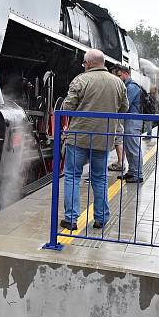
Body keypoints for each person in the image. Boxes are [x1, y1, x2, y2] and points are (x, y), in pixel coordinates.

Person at [60, 49, 128, 231]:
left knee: (72, 177)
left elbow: (68, 107)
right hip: (104, 138)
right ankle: (101, 219)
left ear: (88, 63)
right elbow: (124, 108)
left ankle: (71, 219)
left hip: (78, 138)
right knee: (100, 178)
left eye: (84, 63)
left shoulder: (81, 80)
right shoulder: (118, 83)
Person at [116, 65, 144, 183]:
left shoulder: (132, 87)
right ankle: (132, 171)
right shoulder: (128, 86)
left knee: (133, 147)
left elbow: (125, 103)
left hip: (134, 120)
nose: (118, 78)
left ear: (126, 74)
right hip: (130, 120)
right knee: (128, 146)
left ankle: (138, 174)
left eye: (119, 75)